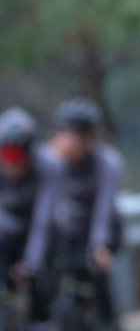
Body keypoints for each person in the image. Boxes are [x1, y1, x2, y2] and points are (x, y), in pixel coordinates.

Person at [46, 98, 124, 331]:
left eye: (82, 134)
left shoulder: (107, 161)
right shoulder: (52, 161)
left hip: (102, 230)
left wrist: (99, 245)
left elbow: (104, 208)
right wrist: (52, 159)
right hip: (67, 233)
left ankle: (108, 320)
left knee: (97, 279)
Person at [0, 107, 61, 331]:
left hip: (40, 231)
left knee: (42, 271)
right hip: (7, 230)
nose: (12, 163)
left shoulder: (49, 165)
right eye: (8, 155)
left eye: (18, 156)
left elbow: (43, 219)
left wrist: (32, 261)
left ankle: (42, 318)